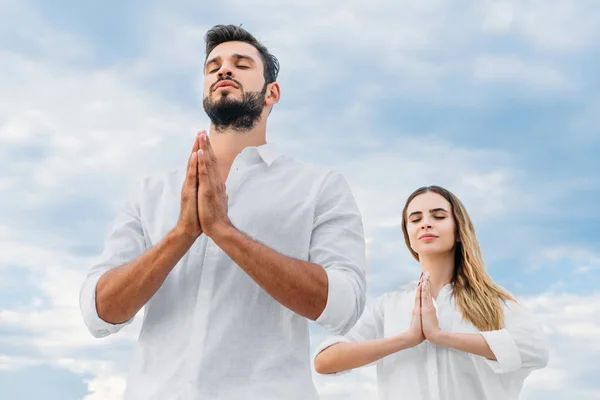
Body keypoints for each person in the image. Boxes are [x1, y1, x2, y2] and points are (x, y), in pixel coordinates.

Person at [79, 24, 367, 400]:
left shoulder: (319, 187)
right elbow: (98, 314)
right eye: (213, 65)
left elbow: (344, 306)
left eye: (241, 63)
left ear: (271, 93)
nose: (223, 70)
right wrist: (182, 233)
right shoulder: (151, 191)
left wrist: (224, 232)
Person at [313, 185, 549, 400]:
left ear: (458, 230)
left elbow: (536, 350)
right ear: (409, 237)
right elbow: (325, 361)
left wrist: (441, 337)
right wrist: (407, 339)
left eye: (438, 216)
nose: (426, 223)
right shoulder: (388, 306)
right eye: (415, 219)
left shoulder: (497, 302)